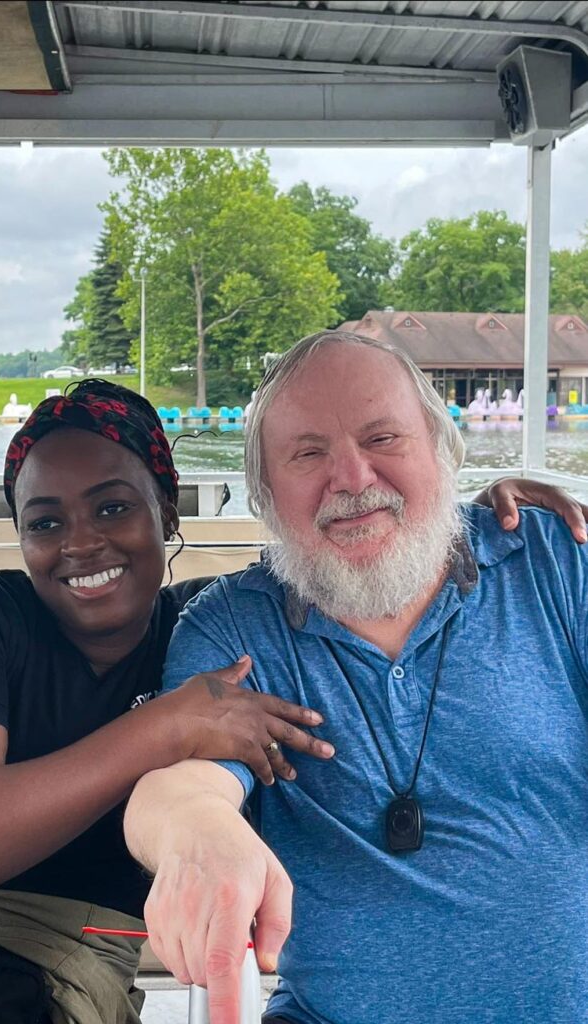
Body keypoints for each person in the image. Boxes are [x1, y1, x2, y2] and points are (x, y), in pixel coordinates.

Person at [122, 332, 588, 1024]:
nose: (353, 478)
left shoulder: (556, 563)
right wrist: (194, 831)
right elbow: (183, 782)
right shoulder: (235, 629)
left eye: (383, 439)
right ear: (266, 494)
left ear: (441, 451)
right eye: (309, 454)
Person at [0, 380, 334, 1024]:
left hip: (78, 989)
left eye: (113, 509)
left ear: (168, 510)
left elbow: (365, 580)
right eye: (45, 522)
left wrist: (497, 524)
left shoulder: (210, 631)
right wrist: (166, 727)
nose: (81, 542)